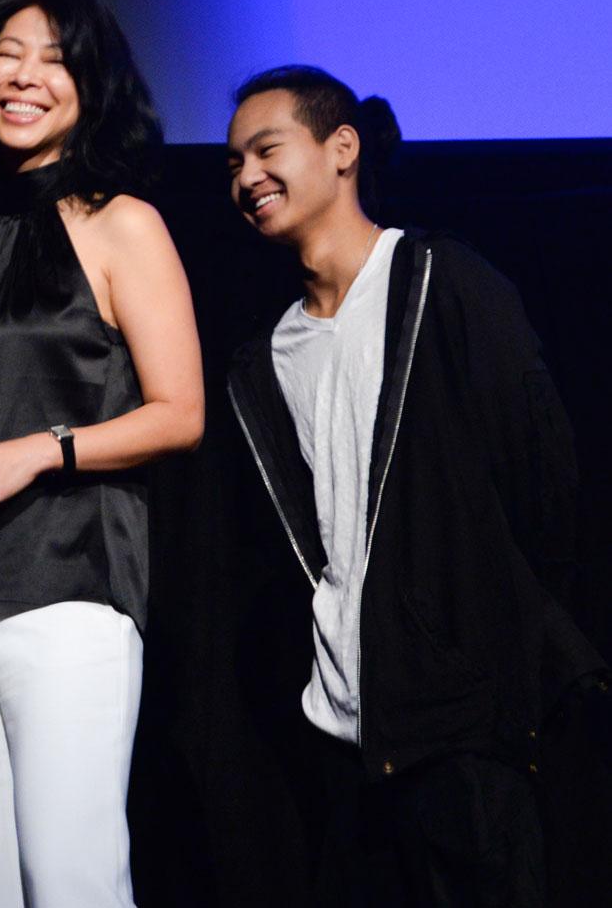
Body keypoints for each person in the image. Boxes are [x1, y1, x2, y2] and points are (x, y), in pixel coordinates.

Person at [224, 65, 607, 905]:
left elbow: (546, 479)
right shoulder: (262, 360)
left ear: (342, 149)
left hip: (464, 722)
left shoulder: (444, 281)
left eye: (265, 149)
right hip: (341, 734)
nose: (246, 176)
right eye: (232, 164)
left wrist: (484, 634)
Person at [0, 0, 205, 907]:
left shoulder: (122, 223)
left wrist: (37, 450)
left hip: (69, 581)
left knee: (70, 872)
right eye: (9, 52)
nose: (25, 75)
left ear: (93, 85)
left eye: (54, 58)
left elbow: (179, 412)